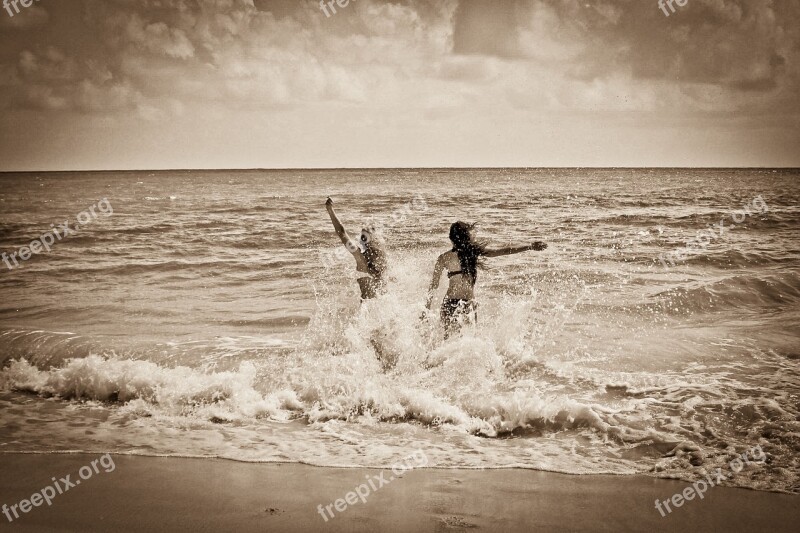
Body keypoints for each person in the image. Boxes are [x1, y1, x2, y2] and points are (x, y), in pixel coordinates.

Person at [425, 221, 547, 337]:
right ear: (466, 237)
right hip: (467, 303)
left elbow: (433, 286)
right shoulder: (473, 252)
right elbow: (504, 251)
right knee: (469, 341)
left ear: (451, 238)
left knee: (447, 341)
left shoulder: (443, 258)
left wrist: (426, 308)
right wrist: (529, 246)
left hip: (449, 303)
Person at [325, 197, 388, 300]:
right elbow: (342, 232)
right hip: (382, 304)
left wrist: (330, 210)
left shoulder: (361, 258)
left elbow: (341, 233)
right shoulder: (383, 259)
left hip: (368, 309)